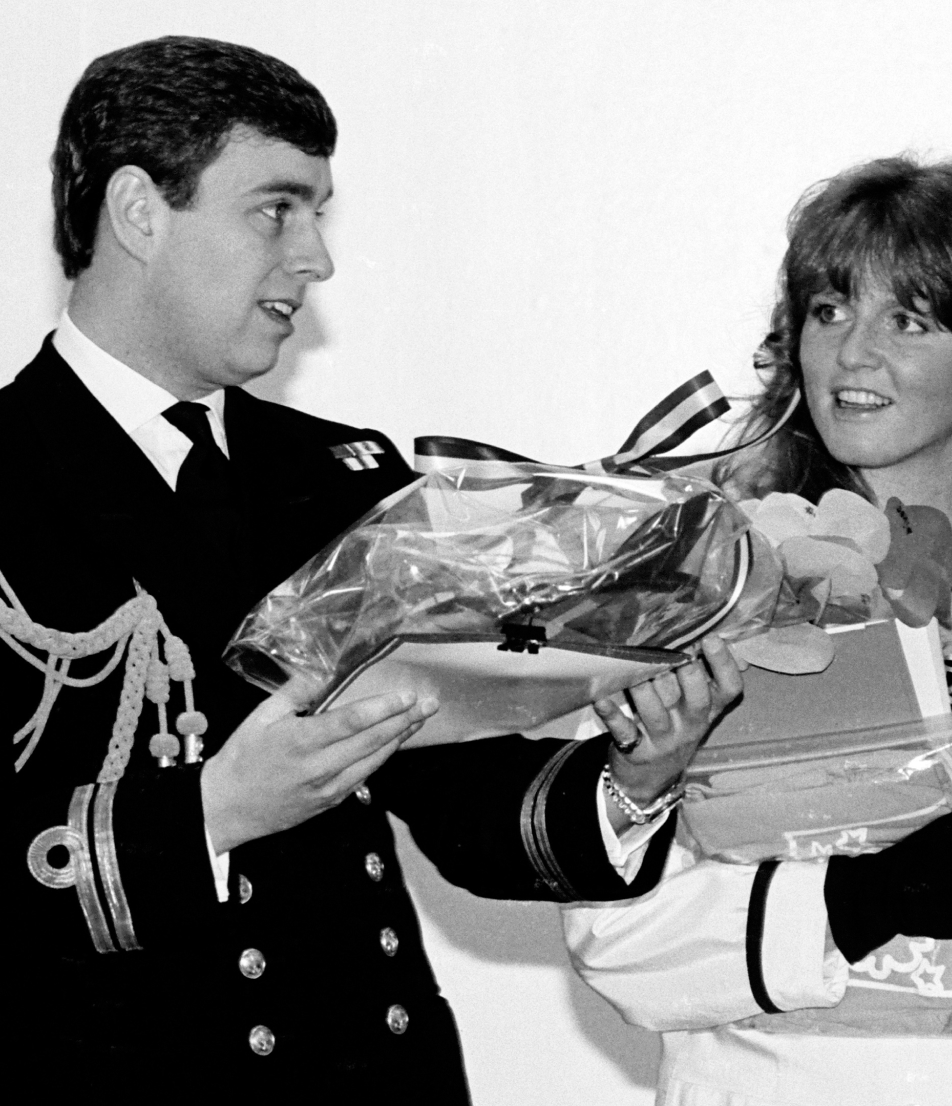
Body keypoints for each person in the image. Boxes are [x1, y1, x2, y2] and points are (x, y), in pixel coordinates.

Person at [5, 36, 743, 1099]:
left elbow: (448, 782)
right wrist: (211, 812)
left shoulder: (334, 472)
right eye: (276, 210)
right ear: (138, 211)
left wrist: (634, 775)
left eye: (318, 213)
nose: (315, 258)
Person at [563, 155, 952, 1105]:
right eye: (830, 311)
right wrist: (867, 897)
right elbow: (617, 940)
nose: (853, 354)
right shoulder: (705, 586)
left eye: (909, 320)